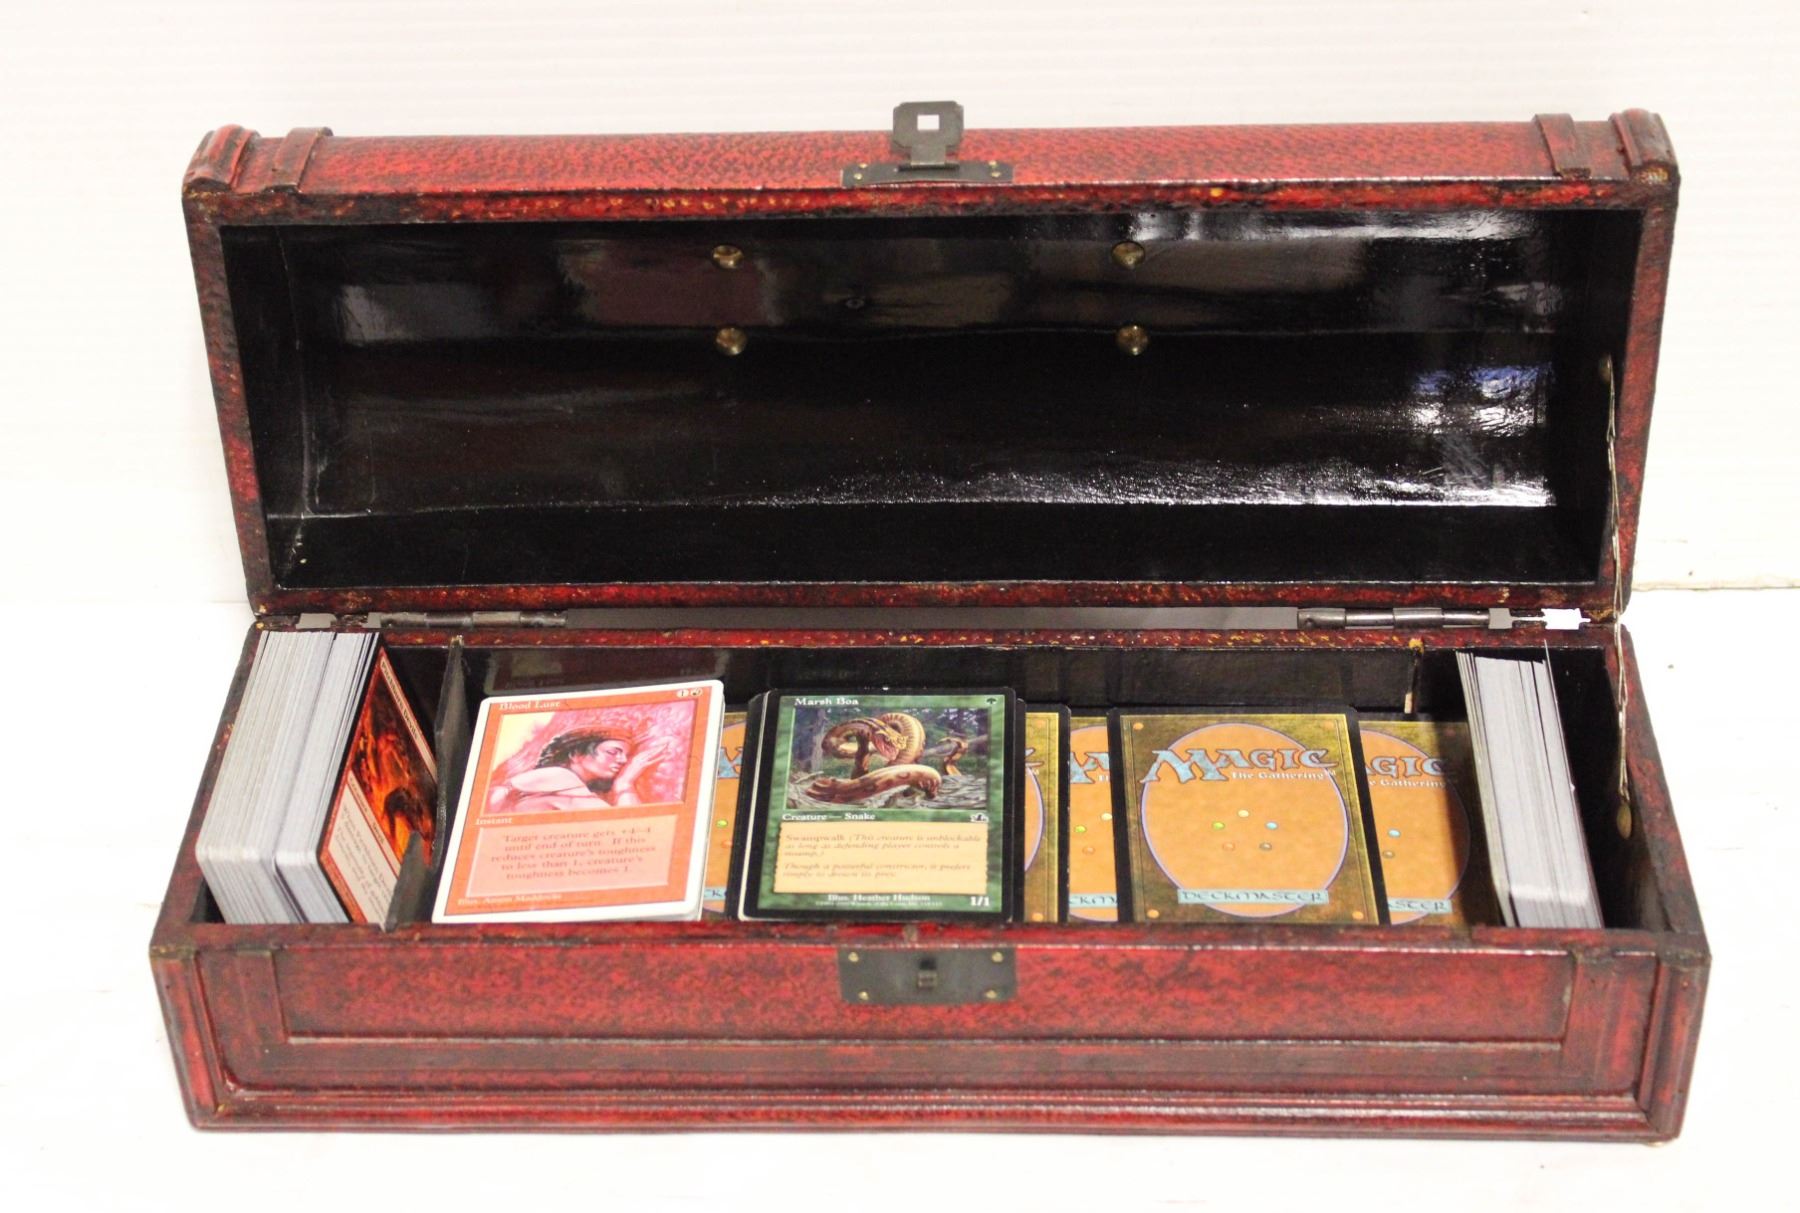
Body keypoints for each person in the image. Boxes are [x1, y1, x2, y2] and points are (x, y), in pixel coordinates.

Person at [486, 728, 672, 814]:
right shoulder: (561, 776)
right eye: (612, 752)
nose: (623, 761)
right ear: (576, 754)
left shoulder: (560, 784)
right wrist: (625, 783)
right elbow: (629, 827)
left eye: (626, 755)